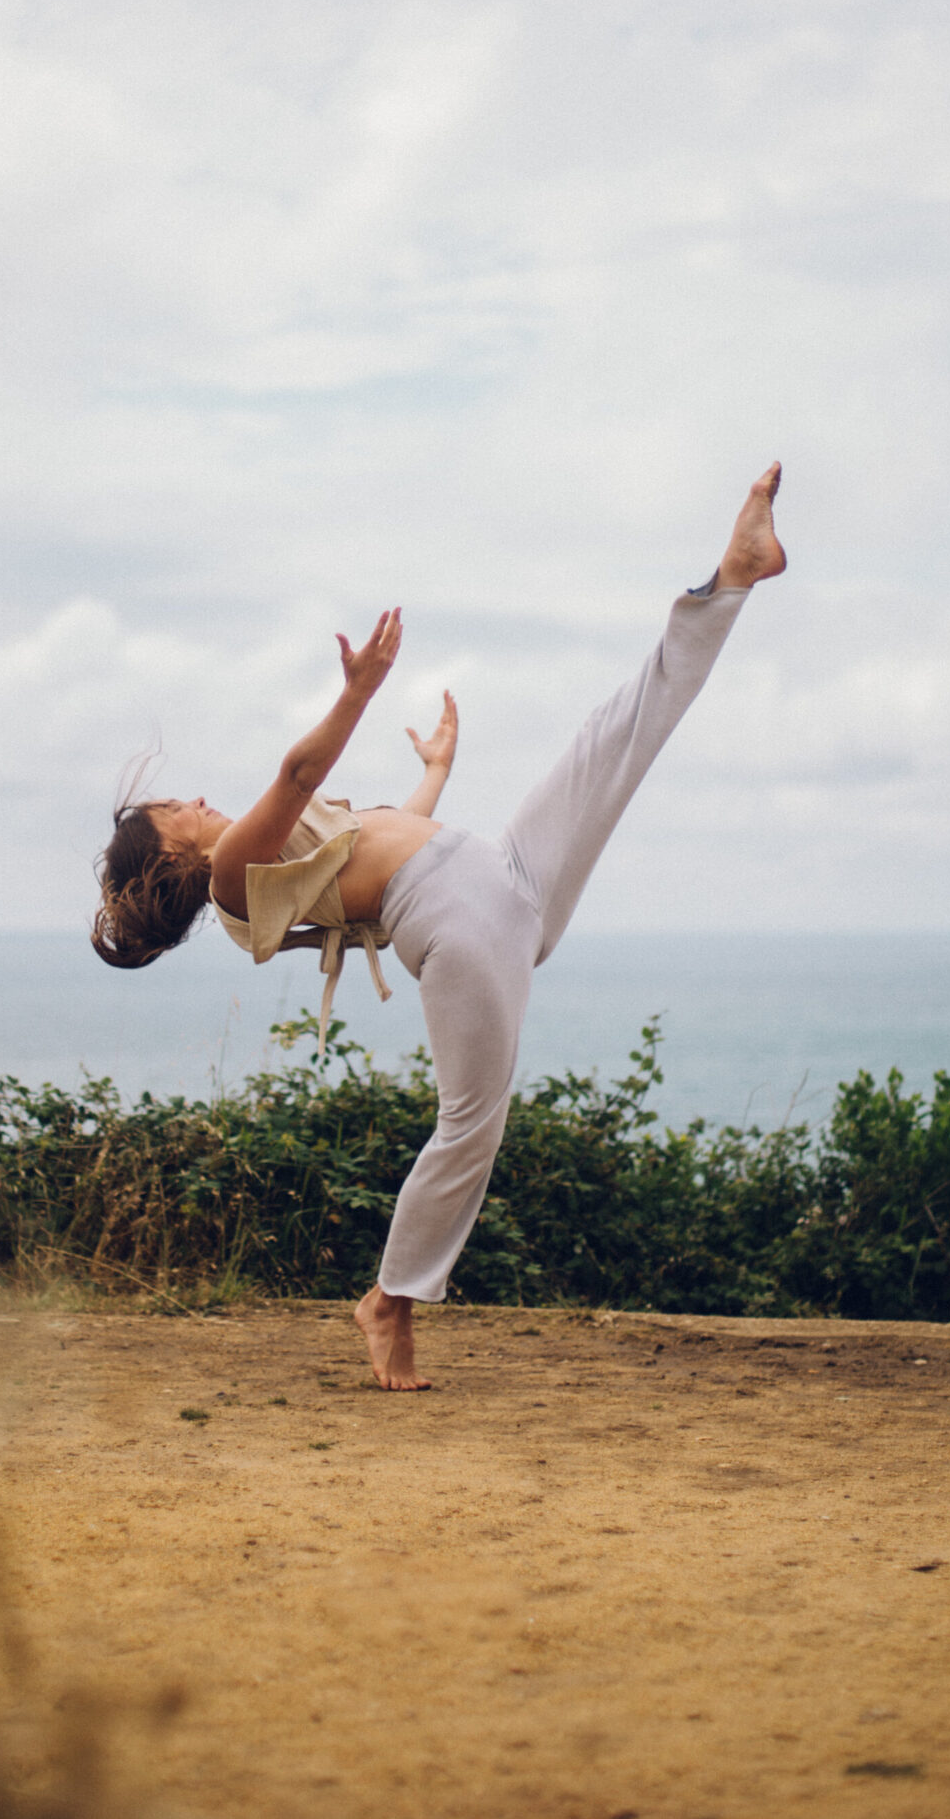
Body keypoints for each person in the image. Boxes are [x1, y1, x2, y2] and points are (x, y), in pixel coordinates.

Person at [92, 464, 787, 1388]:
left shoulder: (267, 861)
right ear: (172, 853)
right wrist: (358, 694)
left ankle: (728, 579)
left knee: (610, 737)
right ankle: (390, 1302)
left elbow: (380, 841)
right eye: (177, 806)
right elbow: (301, 780)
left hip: (493, 877)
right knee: (470, 1124)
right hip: (458, 919)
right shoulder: (228, 874)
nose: (197, 799)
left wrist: (436, 769)